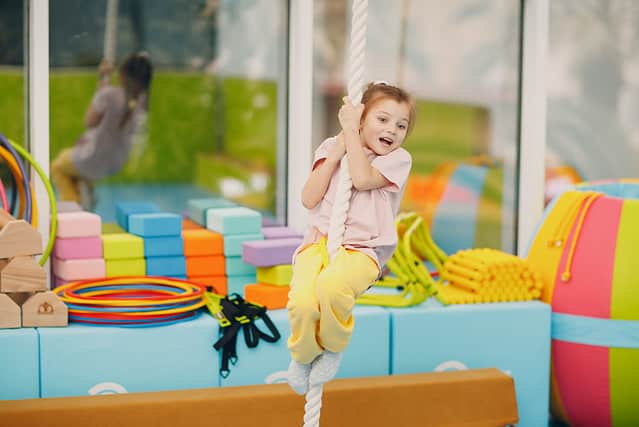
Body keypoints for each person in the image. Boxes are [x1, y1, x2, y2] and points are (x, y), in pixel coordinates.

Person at [286, 81, 415, 394]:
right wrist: (334, 155)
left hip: (362, 251)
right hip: (319, 242)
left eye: (401, 125)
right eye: (382, 120)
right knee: (303, 302)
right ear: (361, 119)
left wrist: (351, 137)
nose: (392, 130)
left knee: (331, 287)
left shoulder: (397, 159)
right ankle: (303, 356)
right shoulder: (334, 146)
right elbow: (308, 198)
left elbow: (361, 178)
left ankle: (332, 346)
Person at [51, 52, 153, 209]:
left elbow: (89, 121)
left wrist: (103, 78)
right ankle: (86, 189)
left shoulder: (109, 95)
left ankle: (73, 207)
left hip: (92, 158)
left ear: (122, 73)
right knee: (74, 162)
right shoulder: (142, 101)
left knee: (58, 167)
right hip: (115, 162)